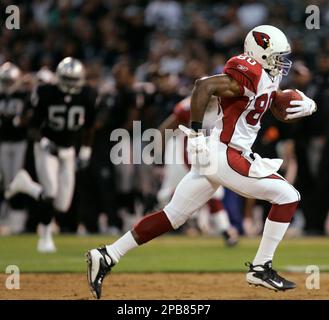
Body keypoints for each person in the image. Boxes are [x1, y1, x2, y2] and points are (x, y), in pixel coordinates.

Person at [86, 25, 317, 299]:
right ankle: (260, 267)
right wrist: (194, 133)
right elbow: (203, 86)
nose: (282, 62)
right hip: (227, 153)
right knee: (288, 196)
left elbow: (268, 105)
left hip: (219, 154)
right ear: (260, 53)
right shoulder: (250, 71)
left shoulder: (267, 76)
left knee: (173, 215)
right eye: (277, 56)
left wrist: (305, 105)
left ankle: (108, 254)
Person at [5, 57, 98, 252]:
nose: (71, 84)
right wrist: (44, 142)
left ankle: (27, 185)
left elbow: (90, 127)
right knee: (50, 192)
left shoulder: (88, 95)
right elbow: (32, 126)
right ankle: (45, 238)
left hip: (69, 150)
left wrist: (86, 151)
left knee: (62, 205)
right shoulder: (46, 92)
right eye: (67, 79)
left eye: (74, 79)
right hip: (47, 147)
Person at [158, 96, 238, 245]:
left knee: (213, 193)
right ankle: (165, 222)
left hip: (208, 156)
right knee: (170, 195)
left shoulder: (226, 106)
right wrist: (157, 152)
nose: (213, 101)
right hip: (184, 157)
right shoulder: (188, 107)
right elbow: (166, 127)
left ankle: (225, 230)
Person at [0, 62, 30, 234]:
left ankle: (18, 217)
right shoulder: (2, 96)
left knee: (18, 178)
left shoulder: (24, 96)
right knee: (7, 180)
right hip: (4, 142)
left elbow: (27, 118)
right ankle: (10, 216)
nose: (8, 85)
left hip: (19, 142)